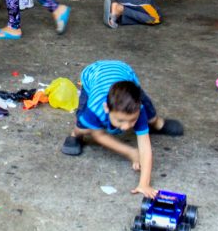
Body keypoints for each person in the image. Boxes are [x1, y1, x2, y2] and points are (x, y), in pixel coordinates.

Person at [62, 60, 184, 198]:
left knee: (149, 113)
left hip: (125, 73)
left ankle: (156, 123)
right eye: (121, 120)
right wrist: (131, 152)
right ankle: (75, 135)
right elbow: (98, 135)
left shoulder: (139, 109)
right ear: (107, 108)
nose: (126, 127)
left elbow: (145, 146)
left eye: (132, 120)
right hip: (93, 74)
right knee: (82, 126)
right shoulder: (95, 108)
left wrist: (144, 184)